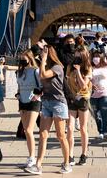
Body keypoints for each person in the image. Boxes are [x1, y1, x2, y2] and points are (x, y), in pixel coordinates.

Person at [26, 44, 71, 175]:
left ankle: (67, 163)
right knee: (42, 134)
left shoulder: (58, 67)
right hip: (46, 103)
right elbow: (41, 79)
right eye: (40, 54)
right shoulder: (43, 66)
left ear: (49, 54)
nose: (40, 55)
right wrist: (38, 93)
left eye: (43, 53)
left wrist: (44, 59)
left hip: (58, 104)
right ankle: (38, 165)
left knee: (60, 135)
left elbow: (43, 75)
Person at [65, 49, 92, 165]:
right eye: (75, 57)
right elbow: (66, 82)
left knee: (82, 128)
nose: (76, 59)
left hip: (83, 99)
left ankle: (84, 154)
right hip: (72, 99)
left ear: (84, 58)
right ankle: (70, 155)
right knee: (70, 128)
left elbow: (84, 86)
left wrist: (78, 71)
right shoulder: (69, 67)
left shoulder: (88, 68)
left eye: (78, 57)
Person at [16, 50, 42, 170]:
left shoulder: (35, 71)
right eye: (21, 59)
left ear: (29, 59)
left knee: (30, 130)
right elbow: (19, 86)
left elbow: (41, 86)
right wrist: (18, 94)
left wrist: (37, 96)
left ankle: (32, 157)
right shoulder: (19, 72)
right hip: (22, 101)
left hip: (33, 102)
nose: (22, 61)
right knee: (26, 131)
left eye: (24, 59)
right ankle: (30, 155)